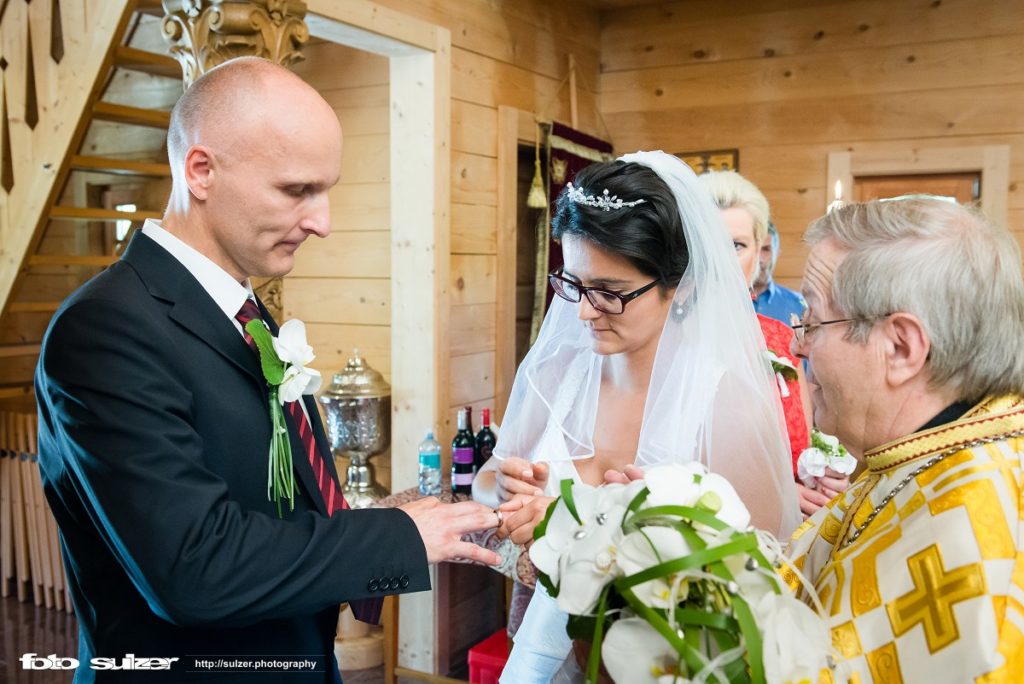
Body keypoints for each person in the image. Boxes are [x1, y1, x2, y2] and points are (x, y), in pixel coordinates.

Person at [34, 57, 500, 683]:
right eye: (296, 190)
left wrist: (430, 514)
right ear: (201, 170)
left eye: (326, 189)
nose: (322, 222)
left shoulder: (249, 316)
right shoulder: (105, 329)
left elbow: (268, 508)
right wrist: (399, 537)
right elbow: (195, 567)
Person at [473, 152, 801, 682]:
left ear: (683, 285)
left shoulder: (728, 405)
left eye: (610, 293)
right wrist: (506, 491)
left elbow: (758, 573)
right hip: (539, 645)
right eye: (575, 284)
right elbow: (491, 477)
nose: (582, 311)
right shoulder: (556, 374)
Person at [786, 197, 1024, 681]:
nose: (797, 345)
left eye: (812, 321)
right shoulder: (924, 451)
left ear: (900, 348)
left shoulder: (973, 529)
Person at [700, 171, 848, 517]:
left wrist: (821, 475)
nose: (722, 260)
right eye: (708, 243)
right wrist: (772, 494)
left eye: (737, 246)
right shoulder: (659, 344)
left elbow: (805, 439)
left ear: (759, 253)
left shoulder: (783, 340)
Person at [753, 222, 807, 324]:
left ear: (777, 253)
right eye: (755, 250)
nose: (759, 259)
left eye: (766, 249)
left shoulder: (799, 305)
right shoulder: (722, 301)